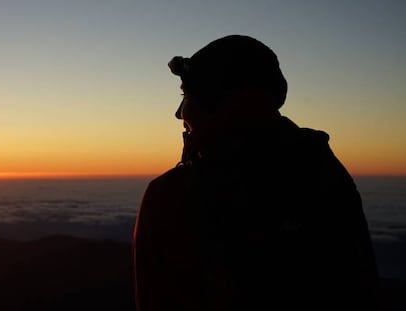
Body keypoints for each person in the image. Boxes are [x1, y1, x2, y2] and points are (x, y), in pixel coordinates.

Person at [132, 34, 382, 310]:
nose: (179, 113)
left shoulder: (172, 196)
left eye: (187, 95)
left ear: (223, 102)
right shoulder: (324, 173)